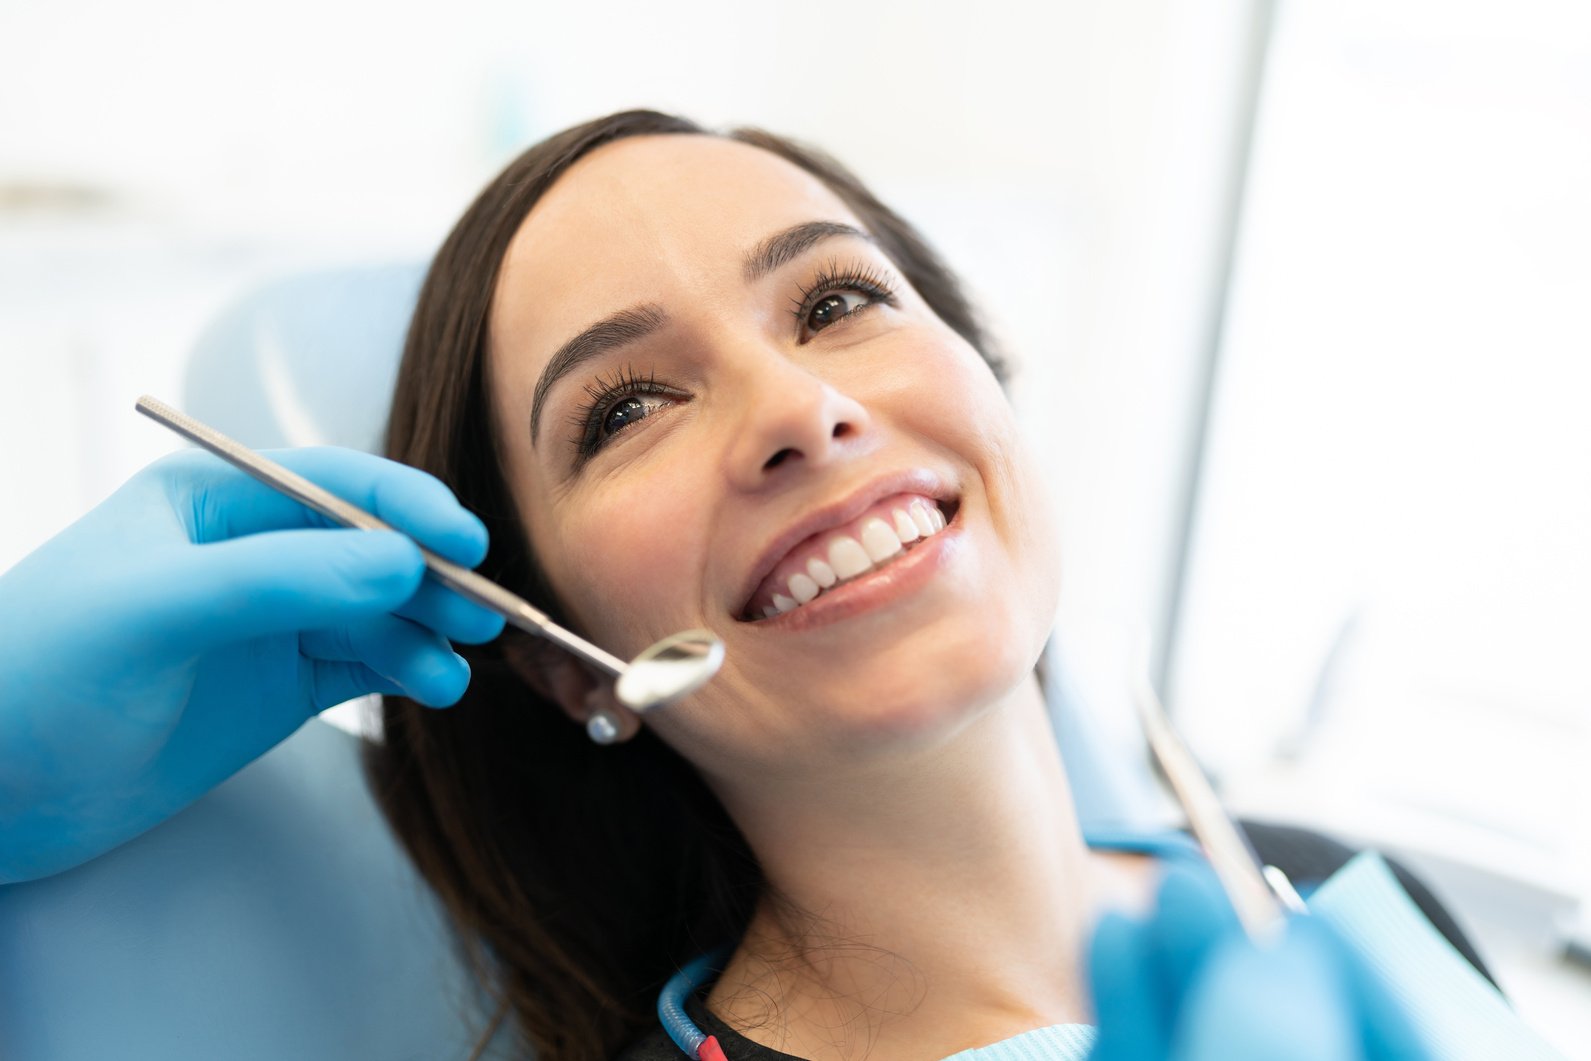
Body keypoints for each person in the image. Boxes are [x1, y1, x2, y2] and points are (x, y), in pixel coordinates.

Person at [0, 110, 1451, 1060]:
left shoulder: (1327, 888)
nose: (797, 409)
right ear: (567, 660)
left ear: (990, 387)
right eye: (627, 409)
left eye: (837, 301)